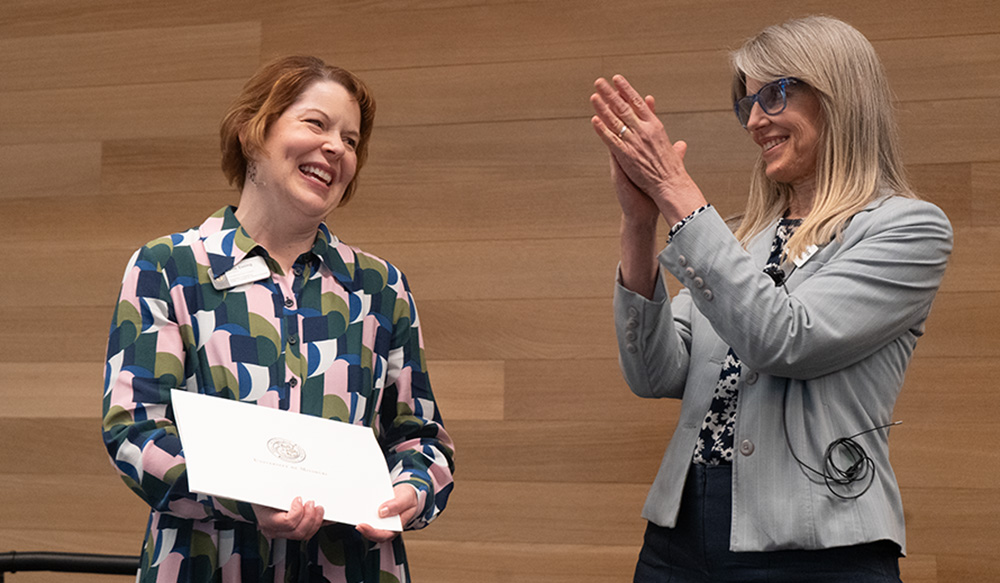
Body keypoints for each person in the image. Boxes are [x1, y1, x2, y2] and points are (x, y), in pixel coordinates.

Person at [589, 16, 951, 582]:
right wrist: (639, 225)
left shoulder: (907, 229)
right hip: (678, 536)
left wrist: (676, 193)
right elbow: (654, 372)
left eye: (775, 94)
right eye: (748, 103)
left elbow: (784, 339)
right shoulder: (737, 240)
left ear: (839, 95)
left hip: (817, 545)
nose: (755, 119)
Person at [102, 55, 455, 583]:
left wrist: (410, 491)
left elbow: (420, 440)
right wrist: (244, 501)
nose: (337, 147)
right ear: (252, 133)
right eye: (316, 123)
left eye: (352, 140)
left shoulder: (381, 287)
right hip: (208, 564)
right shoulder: (169, 267)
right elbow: (134, 430)